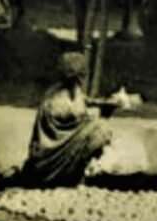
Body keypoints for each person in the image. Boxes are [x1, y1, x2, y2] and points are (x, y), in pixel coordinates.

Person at [20, 52, 119, 188]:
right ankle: (74, 176)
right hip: (50, 165)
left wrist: (97, 102)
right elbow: (79, 118)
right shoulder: (61, 101)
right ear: (78, 77)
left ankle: (76, 173)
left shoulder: (58, 91)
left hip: (42, 160)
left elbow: (82, 102)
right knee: (100, 129)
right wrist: (106, 112)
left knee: (95, 128)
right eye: (83, 74)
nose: (85, 78)